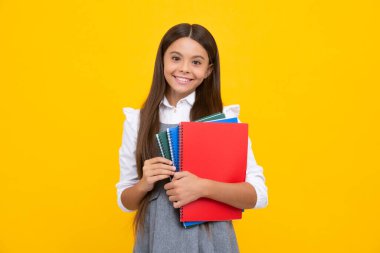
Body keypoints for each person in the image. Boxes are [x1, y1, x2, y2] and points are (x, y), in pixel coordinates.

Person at [116, 23, 268, 252]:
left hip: (212, 241)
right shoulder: (138, 120)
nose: (184, 68)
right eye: (176, 58)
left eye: (196, 62)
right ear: (162, 61)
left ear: (208, 70)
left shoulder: (224, 119)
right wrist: (144, 184)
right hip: (158, 240)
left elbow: (258, 195)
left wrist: (203, 187)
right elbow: (126, 202)